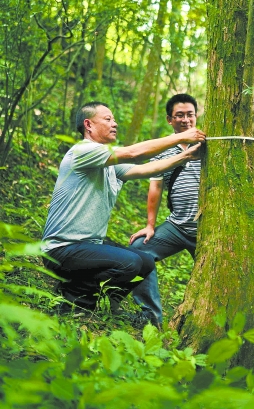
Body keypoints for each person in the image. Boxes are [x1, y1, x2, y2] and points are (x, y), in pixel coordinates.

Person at [42, 101, 205, 313]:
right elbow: (135, 154)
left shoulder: (108, 161)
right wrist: (180, 137)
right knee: (130, 263)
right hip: (61, 250)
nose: (114, 124)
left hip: (88, 246)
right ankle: (77, 299)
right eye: (108, 119)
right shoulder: (82, 151)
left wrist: (185, 156)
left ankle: (104, 300)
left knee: (145, 262)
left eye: (114, 119)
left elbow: (146, 170)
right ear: (88, 125)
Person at [129, 93, 201, 326]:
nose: (186, 119)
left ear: (196, 115)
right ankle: (150, 318)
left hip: (209, 230)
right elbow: (156, 186)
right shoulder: (163, 148)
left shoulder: (210, 143)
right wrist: (150, 225)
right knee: (139, 250)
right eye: (179, 115)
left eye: (190, 114)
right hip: (177, 226)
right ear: (170, 119)